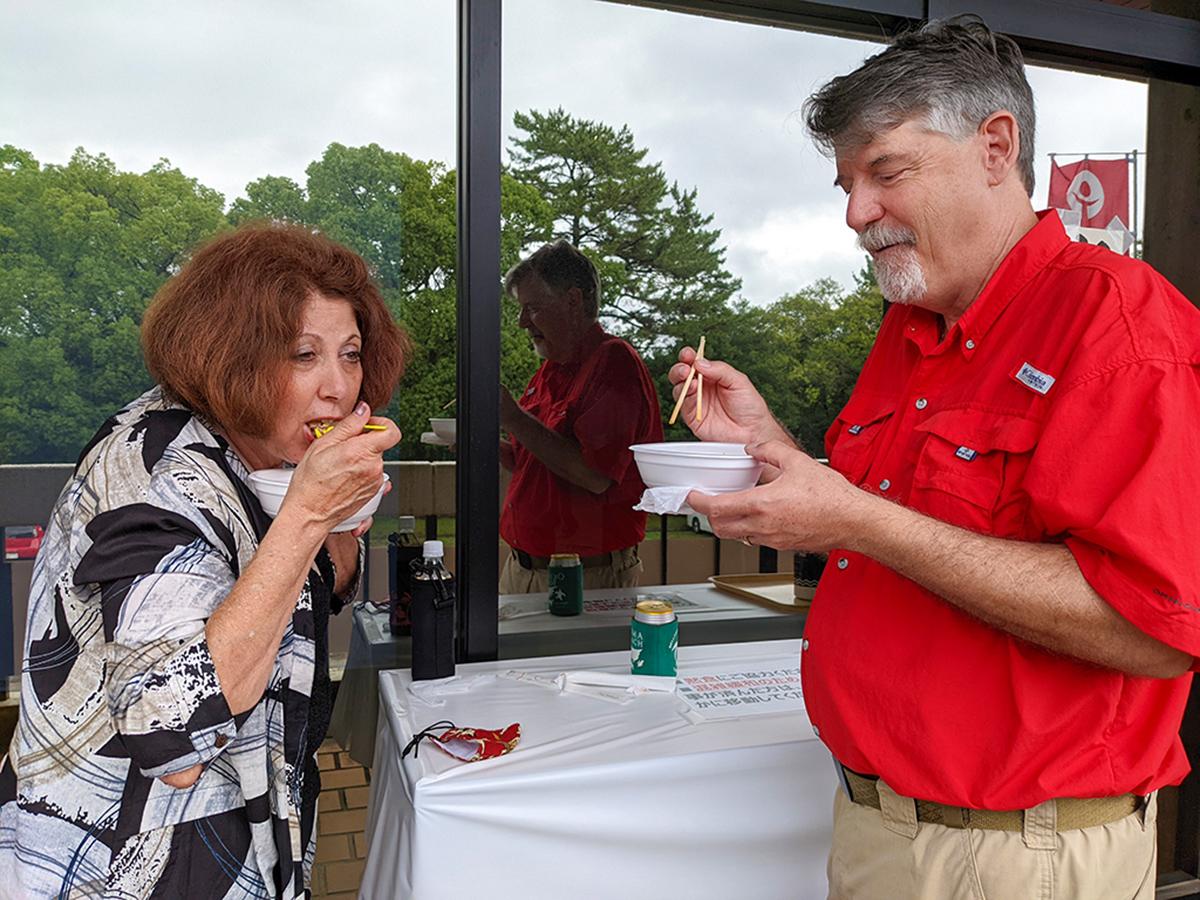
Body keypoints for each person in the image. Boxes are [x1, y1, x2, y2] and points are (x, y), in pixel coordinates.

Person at [671, 17, 1199, 899]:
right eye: (846, 183)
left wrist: (854, 517)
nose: (855, 213)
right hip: (878, 828)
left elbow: (1152, 629)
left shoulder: (1118, 325)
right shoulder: (910, 327)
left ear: (996, 148)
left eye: (886, 171)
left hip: (1020, 857)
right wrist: (771, 451)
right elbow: (889, 525)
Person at [0, 224, 409, 898]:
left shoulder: (261, 457)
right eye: (303, 355)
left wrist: (339, 521)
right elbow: (176, 740)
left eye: (351, 353)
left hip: (244, 845)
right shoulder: (153, 474)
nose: (337, 386)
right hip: (121, 865)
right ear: (233, 356)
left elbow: (316, 587)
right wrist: (309, 512)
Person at [499, 241, 662, 593]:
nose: (521, 322)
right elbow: (532, 461)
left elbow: (594, 475)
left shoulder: (613, 363)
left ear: (573, 301)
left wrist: (512, 417)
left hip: (585, 577)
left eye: (533, 308)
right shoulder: (548, 372)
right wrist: (479, 442)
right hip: (523, 568)